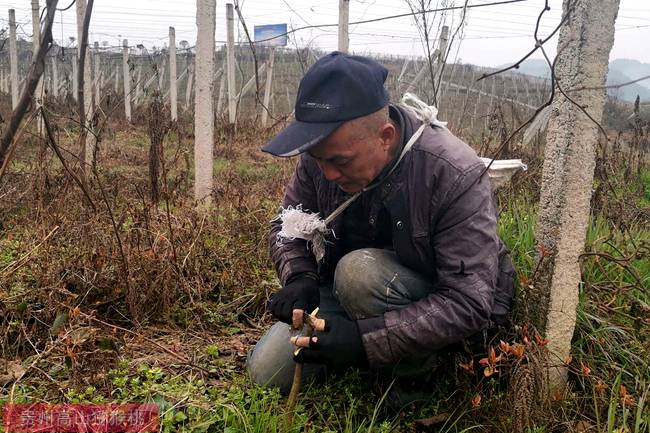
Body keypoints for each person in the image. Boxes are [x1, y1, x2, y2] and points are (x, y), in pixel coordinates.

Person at [246, 51, 515, 395]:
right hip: (350, 292)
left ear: (385, 136)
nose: (327, 173)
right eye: (319, 160)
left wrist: (363, 342)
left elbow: (468, 302)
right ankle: (358, 340)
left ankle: (413, 382)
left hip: (430, 299)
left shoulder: (452, 172)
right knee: (266, 374)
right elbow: (286, 226)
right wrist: (299, 277)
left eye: (340, 161)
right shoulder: (324, 154)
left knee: (358, 272)